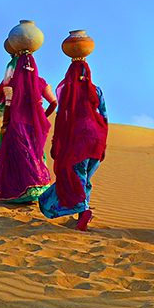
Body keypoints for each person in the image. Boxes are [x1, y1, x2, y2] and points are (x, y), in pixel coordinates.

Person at [39, 59, 108, 231]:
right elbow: (104, 117)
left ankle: (83, 211)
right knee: (84, 179)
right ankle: (81, 215)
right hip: (97, 141)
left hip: (79, 143)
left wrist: (56, 143)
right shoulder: (97, 91)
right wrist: (103, 145)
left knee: (77, 177)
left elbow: (62, 118)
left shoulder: (68, 91)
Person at [0, 53, 57, 203]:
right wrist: (42, 118)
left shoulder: (10, 84)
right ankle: (36, 189)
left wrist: (4, 125)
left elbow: (7, 106)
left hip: (16, 127)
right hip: (34, 129)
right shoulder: (40, 83)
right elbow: (54, 103)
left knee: (16, 159)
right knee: (34, 157)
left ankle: (19, 192)